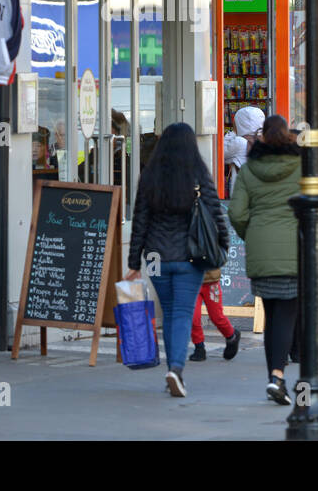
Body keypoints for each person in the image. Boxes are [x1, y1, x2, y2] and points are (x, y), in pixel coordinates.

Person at [126, 122, 228, 398]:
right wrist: (223, 246)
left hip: (157, 257)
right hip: (189, 255)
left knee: (169, 313)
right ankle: (176, 369)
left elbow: (140, 221)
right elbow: (215, 213)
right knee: (182, 313)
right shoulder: (198, 174)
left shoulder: (149, 176)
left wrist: (134, 261)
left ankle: (173, 369)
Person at [229, 115, 302, 405]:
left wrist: (253, 234)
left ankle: (275, 378)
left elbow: (235, 213)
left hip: (259, 248)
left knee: (271, 315)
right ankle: (277, 377)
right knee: (286, 314)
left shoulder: (249, 170)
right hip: (294, 249)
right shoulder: (300, 168)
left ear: (261, 137)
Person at [189, 266, 242, 361]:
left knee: (216, 316)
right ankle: (199, 347)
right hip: (191, 280)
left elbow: (221, 253)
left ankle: (231, 336)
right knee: (193, 318)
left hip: (211, 281)